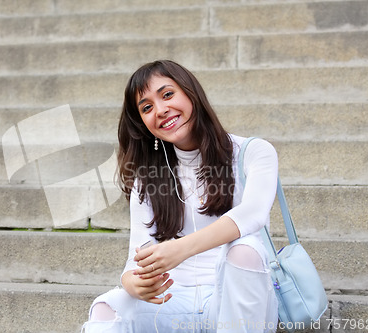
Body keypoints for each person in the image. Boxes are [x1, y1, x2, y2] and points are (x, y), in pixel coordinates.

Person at [82, 60, 279, 332]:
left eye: (167, 94)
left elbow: (253, 214)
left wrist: (181, 248)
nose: (161, 110)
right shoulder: (147, 177)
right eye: (147, 108)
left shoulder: (253, 152)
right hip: (178, 299)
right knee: (107, 309)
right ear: (143, 124)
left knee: (244, 249)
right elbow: (136, 256)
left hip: (240, 299)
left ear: (191, 93)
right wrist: (134, 283)